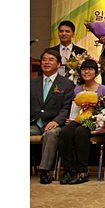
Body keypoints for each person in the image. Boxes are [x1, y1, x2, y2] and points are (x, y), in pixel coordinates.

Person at [58, 59, 105, 184]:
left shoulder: (103, 89)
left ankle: (82, 170)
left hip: (96, 121)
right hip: (79, 119)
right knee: (65, 132)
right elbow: (74, 107)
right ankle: (68, 170)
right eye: (84, 69)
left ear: (96, 72)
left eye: (90, 69)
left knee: (80, 132)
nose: (86, 72)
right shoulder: (77, 90)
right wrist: (71, 118)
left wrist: (96, 111)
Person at [30, 49, 75, 184]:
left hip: (54, 123)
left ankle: (44, 171)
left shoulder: (66, 84)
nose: (47, 63)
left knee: (51, 134)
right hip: (34, 123)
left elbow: (66, 107)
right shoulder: (31, 83)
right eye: (44, 60)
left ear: (58, 64)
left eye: (51, 60)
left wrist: (56, 121)